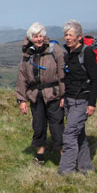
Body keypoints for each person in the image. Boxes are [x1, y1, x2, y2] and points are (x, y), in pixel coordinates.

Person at [16, 22, 65, 166]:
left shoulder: (55, 50)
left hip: (53, 94)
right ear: (31, 38)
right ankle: (40, 157)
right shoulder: (27, 54)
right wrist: (22, 99)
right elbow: (22, 76)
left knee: (57, 126)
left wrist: (63, 95)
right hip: (35, 95)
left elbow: (62, 73)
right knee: (38, 125)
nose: (39, 39)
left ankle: (64, 158)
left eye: (41, 36)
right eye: (35, 36)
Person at [58, 20, 97, 176]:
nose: (67, 38)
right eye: (66, 35)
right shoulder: (68, 53)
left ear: (79, 37)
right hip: (69, 100)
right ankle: (86, 168)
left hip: (82, 100)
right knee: (79, 135)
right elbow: (68, 79)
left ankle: (66, 172)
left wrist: (92, 103)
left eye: (71, 35)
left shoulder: (86, 53)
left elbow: (95, 79)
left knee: (69, 135)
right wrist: (64, 97)